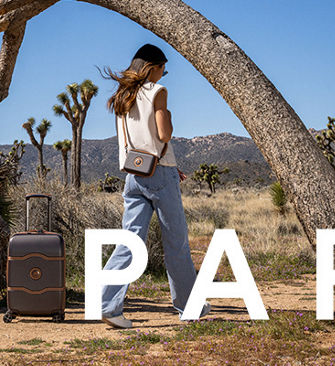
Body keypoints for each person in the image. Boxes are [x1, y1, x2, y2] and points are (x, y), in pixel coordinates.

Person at [98, 44, 209, 329]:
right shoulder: (157, 92)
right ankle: (190, 305)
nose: (163, 75)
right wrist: (167, 115)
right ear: (153, 68)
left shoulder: (122, 96)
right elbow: (164, 134)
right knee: (176, 242)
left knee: (130, 240)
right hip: (160, 173)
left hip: (134, 173)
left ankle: (107, 304)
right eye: (163, 69)